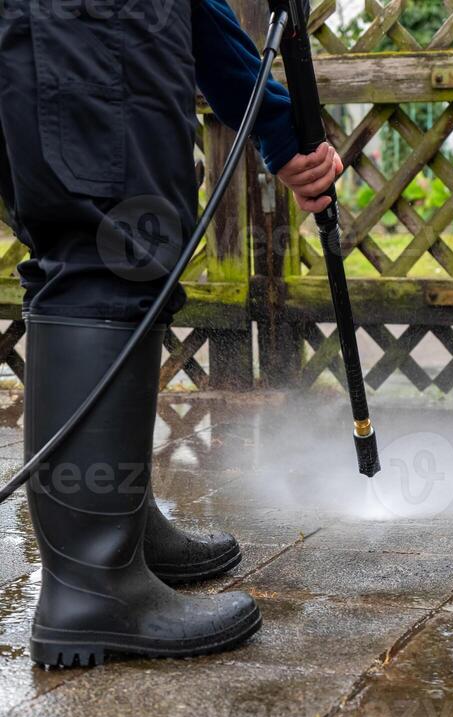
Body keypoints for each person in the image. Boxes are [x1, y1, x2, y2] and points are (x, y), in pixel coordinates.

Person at [0, 0, 343, 668]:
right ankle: (93, 588)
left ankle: (119, 529)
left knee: (96, 253)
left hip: (60, 30)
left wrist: (273, 118)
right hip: (91, 26)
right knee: (107, 254)